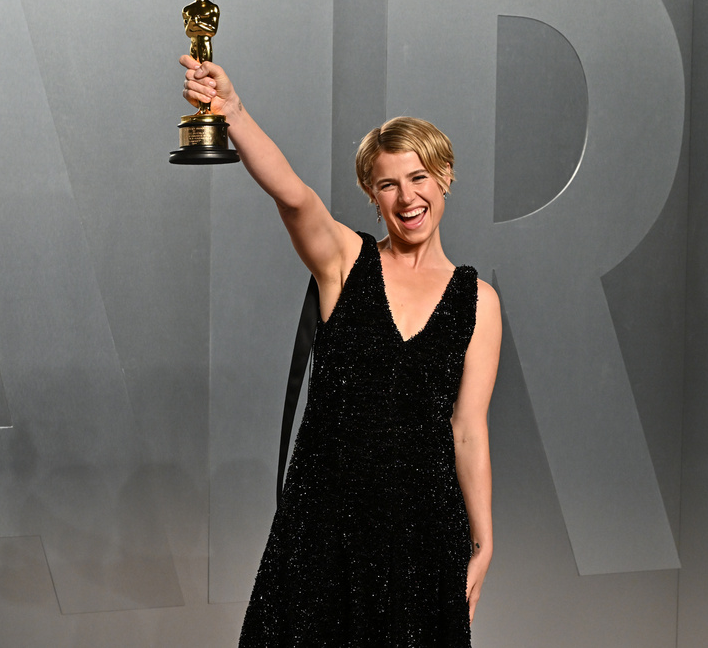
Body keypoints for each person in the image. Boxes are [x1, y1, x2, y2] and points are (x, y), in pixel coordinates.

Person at [181, 54, 500, 646]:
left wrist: (482, 540)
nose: (407, 197)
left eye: (420, 177)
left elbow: (468, 429)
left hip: (422, 535)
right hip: (323, 525)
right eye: (388, 183)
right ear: (370, 194)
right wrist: (236, 114)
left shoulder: (478, 301)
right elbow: (295, 198)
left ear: (447, 175)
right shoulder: (345, 263)